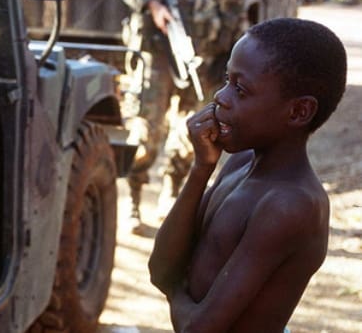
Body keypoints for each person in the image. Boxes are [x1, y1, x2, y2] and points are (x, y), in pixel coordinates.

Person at [149, 17, 347, 332]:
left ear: (298, 112)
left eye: (240, 89)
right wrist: (202, 168)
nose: (221, 97)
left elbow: (198, 328)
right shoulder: (240, 162)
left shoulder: (289, 205)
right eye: (227, 80)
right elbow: (160, 268)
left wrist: (175, 289)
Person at [117, 0, 245, 233]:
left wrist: (232, 51)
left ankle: (172, 193)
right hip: (160, 49)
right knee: (146, 129)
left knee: (196, 129)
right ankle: (133, 198)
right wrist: (153, 5)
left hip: (205, 54)